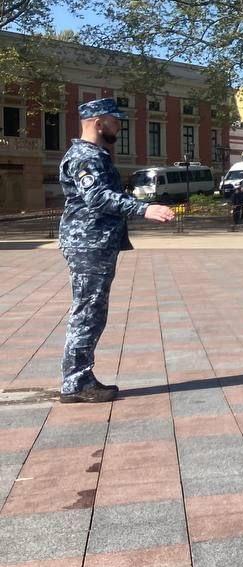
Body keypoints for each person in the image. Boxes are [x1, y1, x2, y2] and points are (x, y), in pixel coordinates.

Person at [59, 98, 176, 403]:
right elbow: (97, 197)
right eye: (115, 120)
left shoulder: (95, 155)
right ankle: (76, 382)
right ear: (99, 123)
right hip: (89, 242)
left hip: (95, 241)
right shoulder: (86, 157)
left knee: (92, 310)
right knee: (88, 311)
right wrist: (144, 209)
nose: (119, 126)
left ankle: (79, 378)